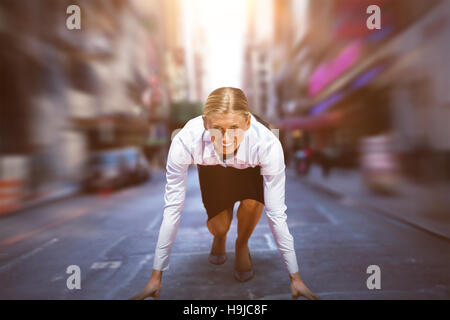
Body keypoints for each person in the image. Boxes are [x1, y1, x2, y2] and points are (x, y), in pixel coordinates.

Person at [131, 87, 320, 300]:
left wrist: (295, 278)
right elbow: (172, 209)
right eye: (218, 128)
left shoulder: (267, 145)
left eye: (234, 127)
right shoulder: (186, 141)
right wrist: (156, 277)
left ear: (247, 123)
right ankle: (220, 236)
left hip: (250, 164)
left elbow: (277, 213)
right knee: (219, 225)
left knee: (252, 202)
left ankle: (241, 244)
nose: (226, 138)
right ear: (205, 123)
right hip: (214, 168)